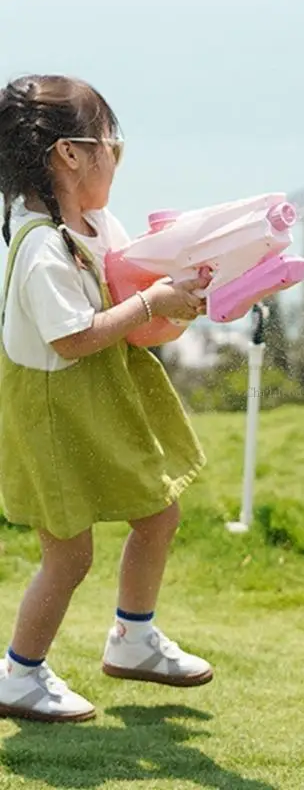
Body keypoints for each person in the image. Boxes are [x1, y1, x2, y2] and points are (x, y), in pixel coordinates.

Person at [0, 74, 214, 724]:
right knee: (69, 553)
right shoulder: (42, 247)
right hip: (52, 416)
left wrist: (184, 296)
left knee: (158, 514)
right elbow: (71, 339)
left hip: (97, 401)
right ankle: (19, 674)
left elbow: (135, 308)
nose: (118, 159)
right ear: (71, 153)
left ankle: (134, 636)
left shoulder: (96, 224)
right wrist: (151, 301)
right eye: (111, 144)